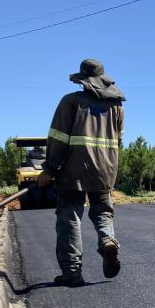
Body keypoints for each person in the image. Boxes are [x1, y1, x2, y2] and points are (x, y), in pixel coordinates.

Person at [38, 59, 125, 286]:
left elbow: (58, 140)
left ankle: (72, 273)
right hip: (105, 170)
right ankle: (107, 241)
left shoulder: (70, 102)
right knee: (103, 213)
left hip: (72, 172)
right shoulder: (116, 106)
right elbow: (119, 140)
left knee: (70, 219)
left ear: (84, 80)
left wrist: (49, 169)